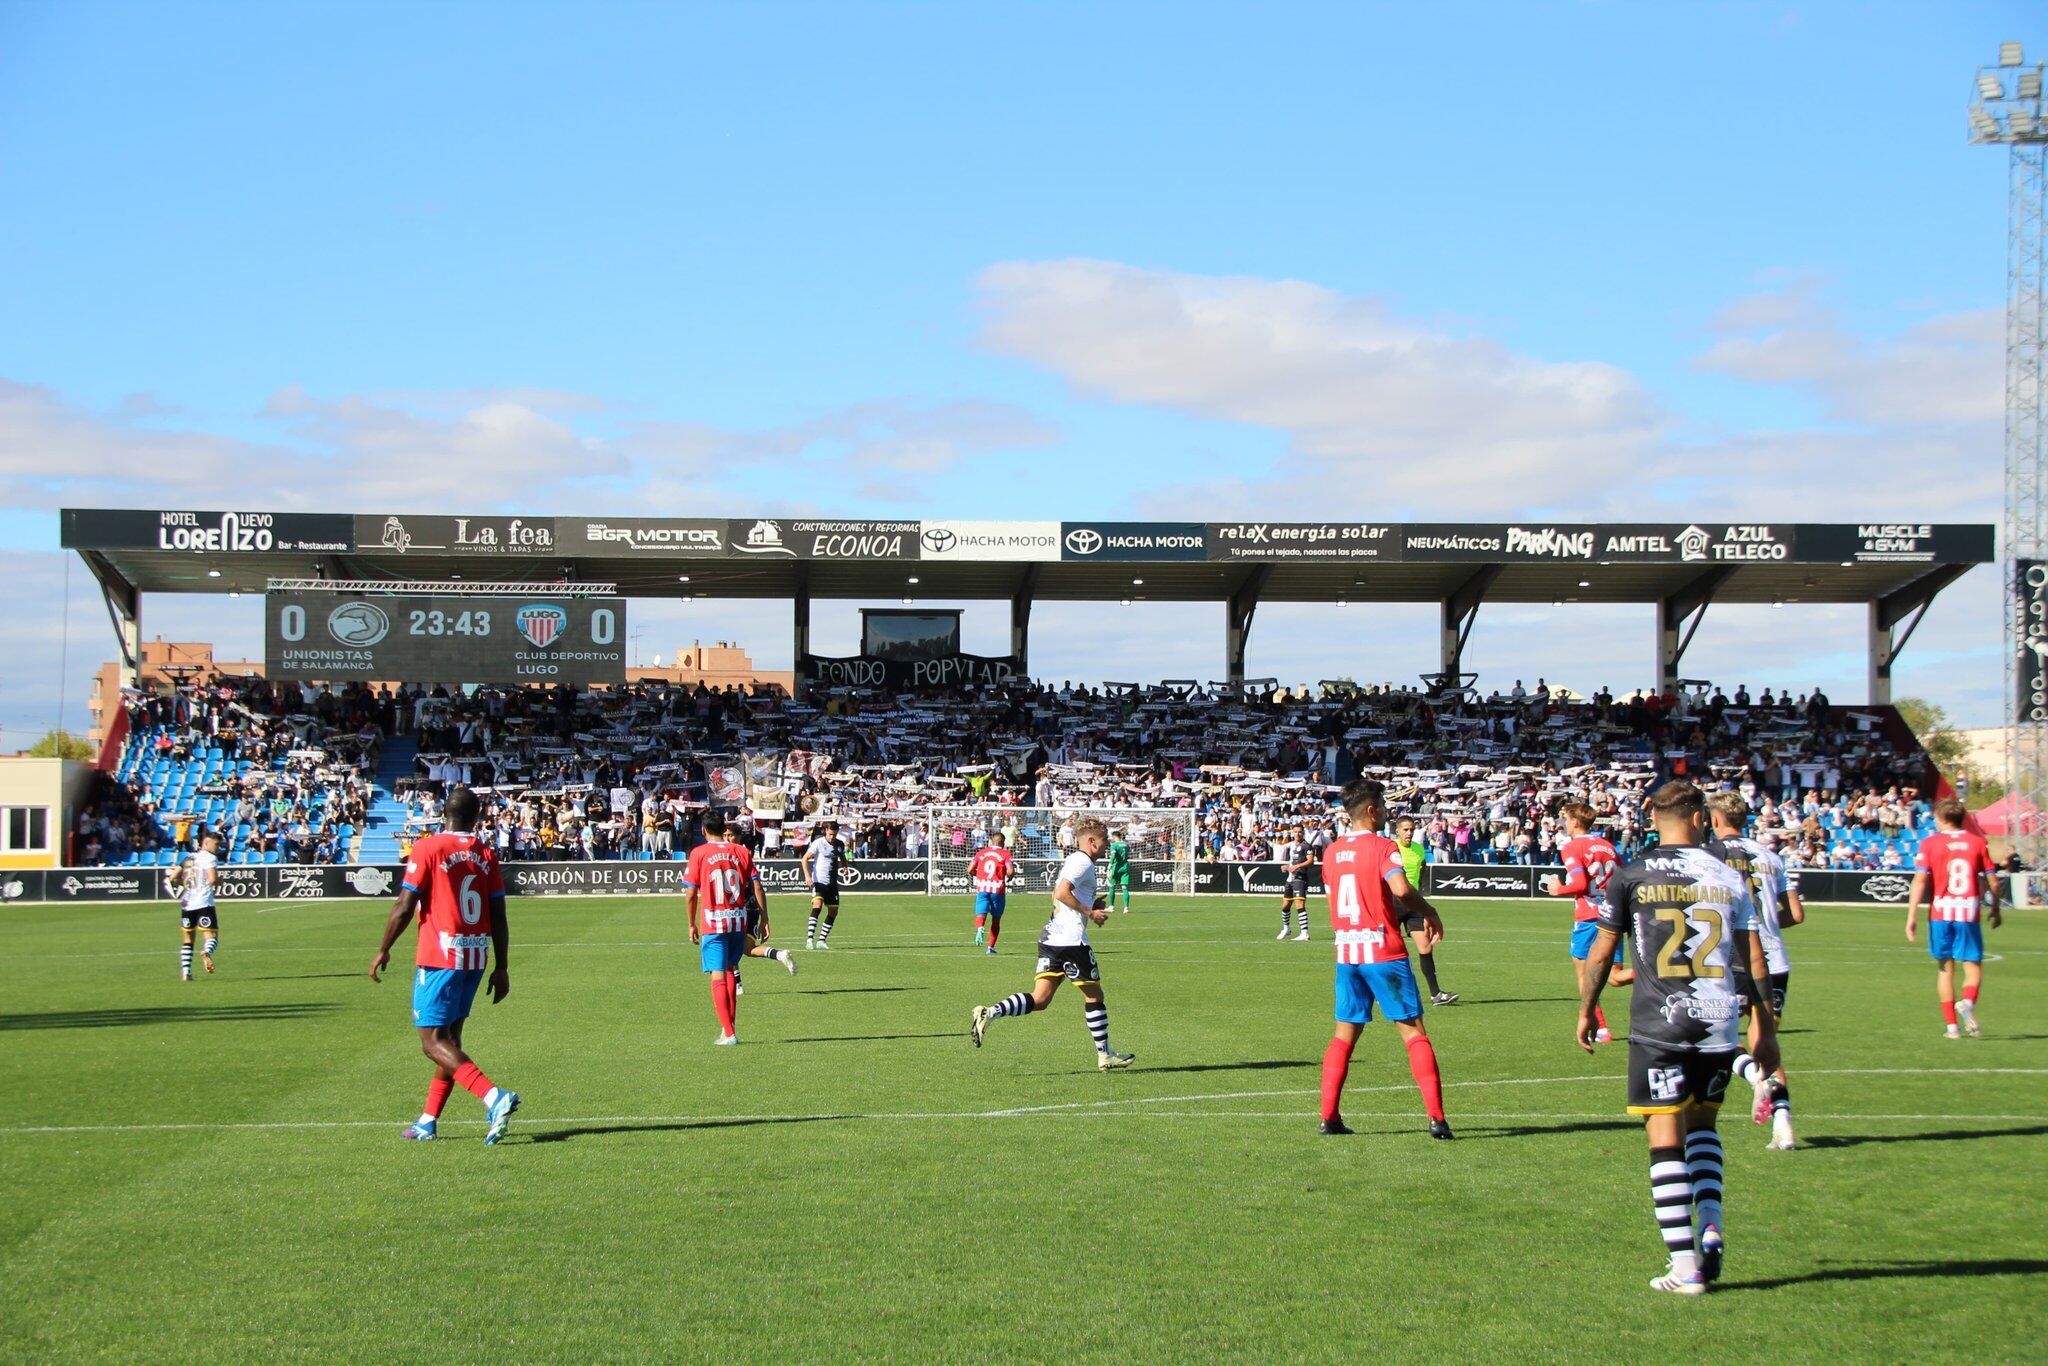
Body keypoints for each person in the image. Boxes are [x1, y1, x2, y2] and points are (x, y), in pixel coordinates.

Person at [1576, 780, 1779, 1294]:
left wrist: (1588, 1010)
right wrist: (1765, 1028)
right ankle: (1711, 1223)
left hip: (1658, 1022)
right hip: (1717, 1020)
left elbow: (1601, 953)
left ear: (1654, 818)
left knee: (1664, 1140)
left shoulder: (1631, 874)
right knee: (1704, 1128)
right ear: (1698, 818)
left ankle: (1685, 1267)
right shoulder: (1729, 876)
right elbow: (1752, 958)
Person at [368, 785, 520, 1145]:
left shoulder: (429, 847)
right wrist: (502, 965)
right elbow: (498, 913)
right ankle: (427, 1120)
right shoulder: (486, 853)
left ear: (444, 814)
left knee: (432, 1041)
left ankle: (493, 1097)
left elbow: (405, 905)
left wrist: (384, 948)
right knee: (450, 1041)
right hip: (476, 955)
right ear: (477, 817)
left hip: (441, 956)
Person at [1317, 781, 1453, 1139]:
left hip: (1347, 953)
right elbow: (1401, 889)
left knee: (1343, 1036)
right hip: (1382, 950)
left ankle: (1329, 1117)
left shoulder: (1331, 852)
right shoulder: (1382, 847)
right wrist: (1430, 910)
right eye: (1382, 804)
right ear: (1372, 810)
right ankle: (1437, 1119)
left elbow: (1335, 899)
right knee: (1413, 1032)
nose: (1387, 811)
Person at [970, 818, 1134, 1070]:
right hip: (1071, 941)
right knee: (1095, 996)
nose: (1107, 847)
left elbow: (1057, 895)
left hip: (1052, 938)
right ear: (1091, 841)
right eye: (1104, 841)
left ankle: (990, 1012)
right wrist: (1089, 914)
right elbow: (1061, 894)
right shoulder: (1082, 862)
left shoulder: (1073, 861)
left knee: (1041, 999)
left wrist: (1090, 905)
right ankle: (1105, 1055)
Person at [1704, 793, 1803, 1149]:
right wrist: (1769, 927)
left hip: (1732, 960)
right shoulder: (1772, 858)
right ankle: (1783, 1123)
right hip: (1775, 961)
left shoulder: (1711, 857)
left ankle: (1751, 1076)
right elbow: (1796, 914)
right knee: (1767, 1043)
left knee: (1715, 1038)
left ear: (1714, 820)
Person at [1906, 798, 2001, 1039]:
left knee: (1944, 969)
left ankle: (1952, 1027)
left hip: (1940, 912)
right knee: (1972, 966)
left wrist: (1912, 915)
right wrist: (1996, 908)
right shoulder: (1978, 842)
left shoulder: (1929, 844)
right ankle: (1968, 1002)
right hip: (1968, 911)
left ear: (1942, 819)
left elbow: (1920, 880)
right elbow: (1993, 881)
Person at [684, 814, 768, 1044]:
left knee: (718, 974)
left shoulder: (699, 853)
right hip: (738, 920)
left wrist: (691, 923)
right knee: (731, 970)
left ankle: (729, 1033)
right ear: (724, 829)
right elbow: (758, 886)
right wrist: (764, 918)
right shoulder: (742, 851)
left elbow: (691, 893)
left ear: (703, 831)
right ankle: (728, 1028)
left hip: (713, 921)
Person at [1542, 802, 1619, 1042]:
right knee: (1615, 975)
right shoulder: (1607, 845)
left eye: (1565, 818)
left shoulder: (1572, 847)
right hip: (1612, 914)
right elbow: (1622, 878)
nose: (1563, 822)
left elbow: (1579, 885)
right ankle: (1661, 971)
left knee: (1584, 975)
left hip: (1588, 917)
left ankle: (1601, 1028)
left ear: (1576, 821)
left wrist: (1557, 889)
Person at [1390, 815, 1455, 1004]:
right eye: (1405, 829)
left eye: (1411, 829)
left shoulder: (1419, 850)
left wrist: (1419, 897)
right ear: (1397, 831)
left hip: (1414, 902)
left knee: (1425, 946)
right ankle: (1385, 992)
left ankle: (1436, 994)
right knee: (1390, 948)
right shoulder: (1390, 848)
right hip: (1393, 902)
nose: (1409, 833)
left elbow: (1422, 871)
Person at [733, 841, 799, 998]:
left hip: (738, 909)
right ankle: (779, 955)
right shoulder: (745, 857)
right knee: (748, 949)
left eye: (731, 835)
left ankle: (738, 985)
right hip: (752, 909)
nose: (729, 838)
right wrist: (764, 918)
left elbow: (758, 887)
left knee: (729, 948)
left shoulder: (734, 858)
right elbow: (758, 888)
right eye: (726, 835)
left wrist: (765, 919)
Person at [170, 832, 222, 980]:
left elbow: (173, 878)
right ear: (206, 843)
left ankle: (186, 973)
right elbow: (212, 880)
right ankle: (207, 952)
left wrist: (188, 884)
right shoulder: (210, 858)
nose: (218, 847)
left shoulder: (189, 858)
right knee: (211, 936)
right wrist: (220, 881)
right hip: (204, 903)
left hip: (187, 904)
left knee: (188, 939)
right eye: (216, 844)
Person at [970, 832, 1014, 954]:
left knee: (980, 914)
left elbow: (969, 869)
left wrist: (978, 875)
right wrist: (1009, 877)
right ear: (1003, 843)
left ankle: (980, 928)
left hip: (983, 888)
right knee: (996, 920)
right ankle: (990, 947)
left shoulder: (981, 853)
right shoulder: (1005, 854)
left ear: (991, 841)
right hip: (997, 890)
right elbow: (1010, 871)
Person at [804, 819, 844, 949]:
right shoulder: (818, 843)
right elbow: (804, 859)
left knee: (833, 911)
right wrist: (808, 876)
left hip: (832, 883)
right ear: (826, 831)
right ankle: (809, 939)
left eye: (834, 834)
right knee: (817, 905)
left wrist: (845, 866)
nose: (832, 837)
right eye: (830, 834)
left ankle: (821, 940)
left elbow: (842, 856)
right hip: (818, 881)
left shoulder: (839, 844)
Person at [1106, 828, 1132, 913]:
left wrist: (1110, 864)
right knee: (1124, 887)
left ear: (1114, 836)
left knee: (1112, 886)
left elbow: (1113, 856)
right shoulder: (1126, 844)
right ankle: (1126, 908)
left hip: (1116, 867)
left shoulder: (1114, 845)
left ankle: (1111, 906)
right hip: (1125, 866)